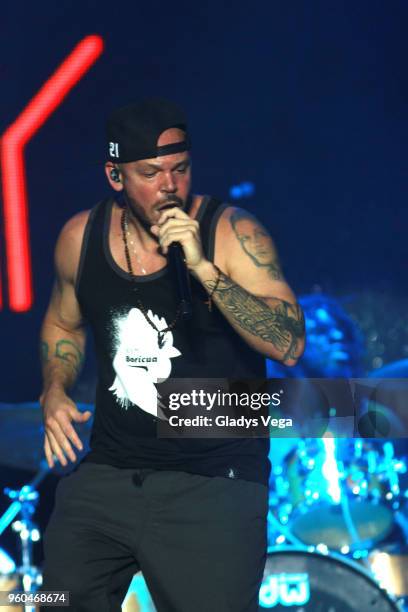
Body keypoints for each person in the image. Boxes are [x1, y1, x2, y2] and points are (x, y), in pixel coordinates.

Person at [40, 98, 305, 612]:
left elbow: (289, 345)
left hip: (213, 481)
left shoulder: (232, 232)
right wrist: (54, 388)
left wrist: (205, 269)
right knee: (50, 600)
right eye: (150, 172)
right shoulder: (80, 237)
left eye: (179, 169)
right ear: (115, 176)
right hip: (110, 473)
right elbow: (62, 321)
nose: (168, 186)